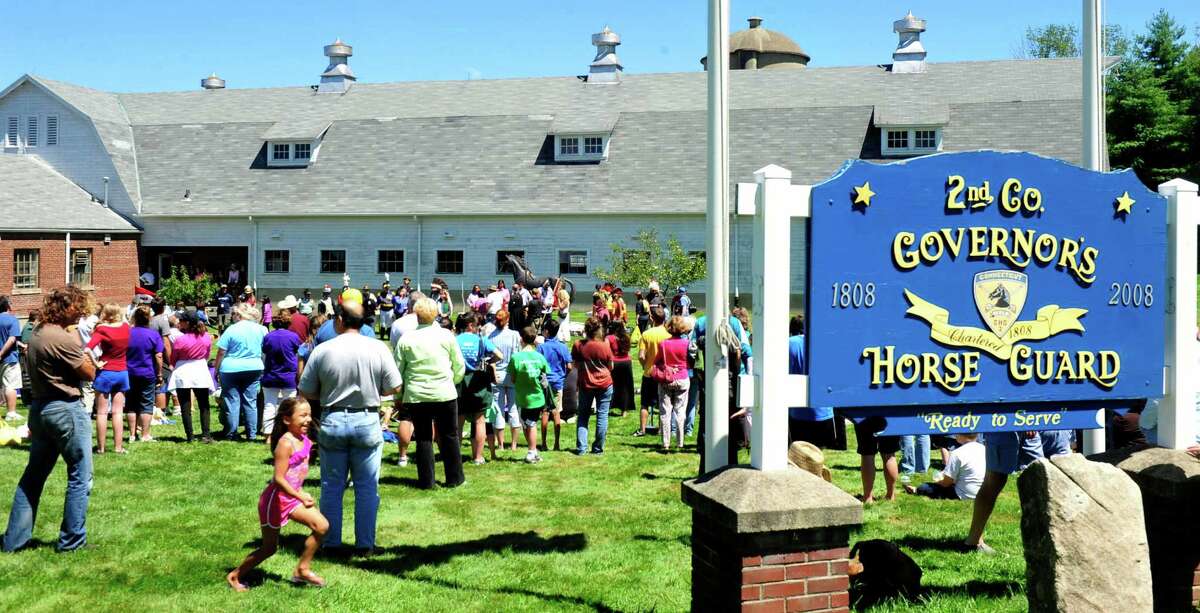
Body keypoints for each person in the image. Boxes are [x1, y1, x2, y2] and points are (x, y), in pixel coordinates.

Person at [1, 286, 97, 552]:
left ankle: (14, 540)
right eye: (79, 307)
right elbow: (88, 373)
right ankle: (72, 541)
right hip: (65, 409)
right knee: (81, 476)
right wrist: (88, 357)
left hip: (40, 409)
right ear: (65, 307)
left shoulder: (39, 333)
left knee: (33, 476)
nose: (82, 313)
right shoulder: (62, 338)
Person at [299, 302, 400, 553]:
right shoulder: (377, 348)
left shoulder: (324, 350)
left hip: (332, 419)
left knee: (332, 486)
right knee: (367, 487)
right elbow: (394, 386)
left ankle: (330, 542)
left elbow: (306, 389)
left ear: (340, 320)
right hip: (366, 418)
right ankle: (365, 544)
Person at [226, 397, 328, 591]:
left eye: (309, 415)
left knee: (322, 526)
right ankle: (235, 576)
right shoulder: (285, 443)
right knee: (269, 548)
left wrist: (299, 491)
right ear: (287, 420)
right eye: (302, 415)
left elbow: (295, 474)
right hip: (275, 501)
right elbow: (279, 479)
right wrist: (300, 496)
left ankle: (302, 569)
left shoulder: (304, 440)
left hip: (291, 497)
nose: (308, 419)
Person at [394, 297, 468, 487]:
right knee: (450, 435)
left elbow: (398, 370)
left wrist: (399, 395)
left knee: (423, 437)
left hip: (417, 394)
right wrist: (452, 381)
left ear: (416, 315)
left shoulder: (406, 339)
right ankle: (455, 478)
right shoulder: (446, 336)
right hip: (444, 392)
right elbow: (459, 366)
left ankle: (426, 481)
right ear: (436, 314)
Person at [215, 303, 267, 441]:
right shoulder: (262, 329)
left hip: (230, 368)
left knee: (232, 401)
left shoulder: (231, 329)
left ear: (238, 315)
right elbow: (265, 349)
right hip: (254, 367)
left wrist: (216, 369)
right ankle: (252, 434)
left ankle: (231, 433)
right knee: (250, 402)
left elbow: (221, 351)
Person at [456, 312, 500, 464]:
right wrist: (489, 362)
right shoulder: (481, 340)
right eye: (476, 325)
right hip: (478, 381)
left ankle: (456, 456)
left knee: (459, 421)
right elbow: (499, 355)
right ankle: (478, 457)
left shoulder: (455, 340)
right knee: (479, 421)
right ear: (470, 325)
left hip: (460, 380)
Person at [786, 314, 836, 448]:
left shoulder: (789, 344)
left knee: (799, 455)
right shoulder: (823, 341)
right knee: (817, 456)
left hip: (798, 410)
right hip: (823, 409)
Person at [88, 303, 131, 454]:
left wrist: (96, 363)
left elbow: (87, 348)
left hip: (106, 371)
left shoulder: (102, 329)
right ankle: (118, 447)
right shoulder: (126, 328)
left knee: (101, 413)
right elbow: (126, 322)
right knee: (118, 412)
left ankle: (101, 448)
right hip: (122, 372)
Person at [170, 311, 215, 443]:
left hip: (183, 370)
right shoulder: (206, 337)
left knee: (185, 405)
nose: (179, 322)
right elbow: (207, 354)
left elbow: (174, 357)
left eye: (182, 320)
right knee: (204, 404)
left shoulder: (180, 340)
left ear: (188, 323)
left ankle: (190, 436)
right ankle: (206, 434)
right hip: (200, 368)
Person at [573, 317, 614, 455]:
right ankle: (597, 448)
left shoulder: (578, 345)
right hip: (605, 383)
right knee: (602, 416)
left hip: (586, 384)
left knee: (583, 416)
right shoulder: (605, 346)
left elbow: (575, 365)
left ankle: (581, 448)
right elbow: (611, 366)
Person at [509, 326, 550, 464]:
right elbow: (545, 373)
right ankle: (533, 451)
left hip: (523, 397)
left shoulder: (516, 358)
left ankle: (531, 452)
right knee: (528, 424)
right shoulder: (539, 357)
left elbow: (512, 378)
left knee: (530, 424)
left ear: (521, 339)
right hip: (537, 396)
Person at [905, 434, 985, 501]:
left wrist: (938, 482)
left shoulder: (957, 453)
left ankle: (916, 490)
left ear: (960, 435)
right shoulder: (984, 449)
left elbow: (946, 483)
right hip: (983, 492)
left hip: (964, 494)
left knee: (925, 486)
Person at [125, 306, 164, 443]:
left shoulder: (127, 333)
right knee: (146, 404)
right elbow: (159, 356)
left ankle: (131, 434)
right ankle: (145, 435)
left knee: (131, 404)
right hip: (148, 373)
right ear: (149, 319)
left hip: (129, 372)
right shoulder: (154, 335)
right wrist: (159, 374)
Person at [653, 316, 691, 451]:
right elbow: (691, 362)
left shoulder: (663, 344)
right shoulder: (687, 343)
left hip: (666, 379)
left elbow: (656, 361)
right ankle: (680, 442)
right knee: (680, 411)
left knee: (665, 412)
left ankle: (666, 443)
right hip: (682, 378)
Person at [261, 315, 302, 438]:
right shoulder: (294, 337)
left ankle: (268, 435)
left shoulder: (268, 337)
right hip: (289, 376)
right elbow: (299, 352)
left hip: (270, 375)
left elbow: (264, 353)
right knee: (289, 407)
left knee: (269, 405)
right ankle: (287, 432)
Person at [488, 310, 523, 452]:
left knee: (498, 410)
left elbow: (490, 358)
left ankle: (501, 444)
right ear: (507, 319)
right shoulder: (515, 335)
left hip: (497, 375)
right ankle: (514, 444)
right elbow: (517, 355)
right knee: (514, 409)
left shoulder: (490, 336)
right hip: (512, 374)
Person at [538, 318, 572, 452]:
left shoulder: (541, 347)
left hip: (545, 383)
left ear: (546, 331)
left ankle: (544, 444)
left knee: (545, 412)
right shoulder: (562, 346)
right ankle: (557, 444)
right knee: (556, 412)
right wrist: (563, 375)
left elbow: (538, 365)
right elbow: (569, 365)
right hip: (558, 382)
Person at [636, 307, 669, 437]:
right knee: (663, 404)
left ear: (651, 318)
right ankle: (662, 429)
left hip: (649, 373)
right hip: (663, 374)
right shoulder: (668, 334)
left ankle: (642, 429)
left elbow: (641, 356)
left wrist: (645, 366)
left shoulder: (646, 334)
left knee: (645, 403)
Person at [606, 321, 635, 418]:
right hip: (626, 363)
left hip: (615, 363)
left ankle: (609, 406)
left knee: (612, 386)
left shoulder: (609, 338)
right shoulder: (626, 337)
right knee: (625, 387)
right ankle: (624, 410)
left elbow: (606, 351)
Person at [0, 297, 22, 421]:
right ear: (8, 306)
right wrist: (1, 353)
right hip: (9, 358)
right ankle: (11, 413)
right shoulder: (12, 319)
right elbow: (12, 338)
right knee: (10, 385)